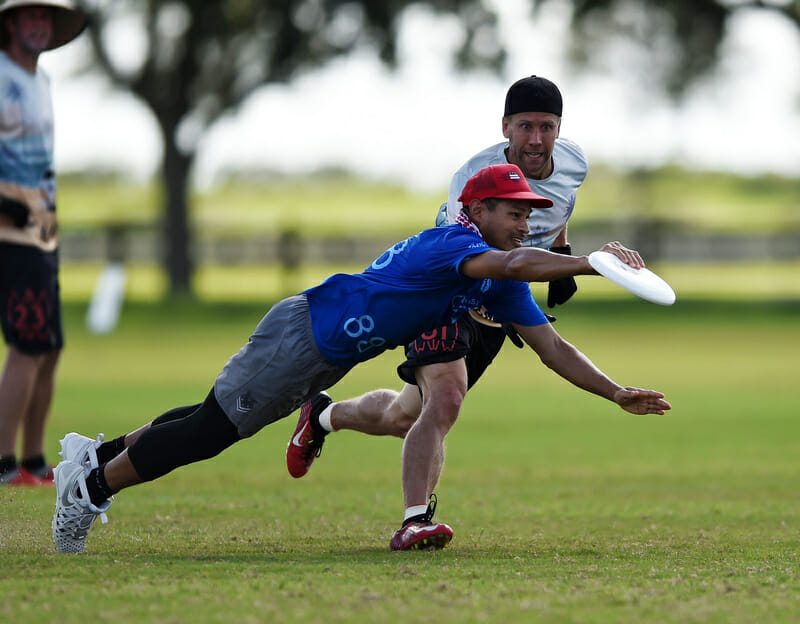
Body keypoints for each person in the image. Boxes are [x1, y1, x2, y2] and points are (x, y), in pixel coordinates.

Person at [51, 163, 670, 555]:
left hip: (325, 356)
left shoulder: (500, 275)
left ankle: (97, 457)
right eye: (514, 212)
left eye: (531, 214)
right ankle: (90, 487)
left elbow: (553, 348)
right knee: (213, 431)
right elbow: (513, 263)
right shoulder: (451, 243)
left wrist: (615, 392)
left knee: (214, 414)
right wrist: (592, 261)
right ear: (476, 211)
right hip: (305, 335)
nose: (524, 223)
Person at [285, 76, 593, 547]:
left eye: (546, 127)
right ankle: (415, 522)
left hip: (501, 300)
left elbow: (558, 206)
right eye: (525, 126)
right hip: (450, 293)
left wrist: (561, 247)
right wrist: (573, 265)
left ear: (559, 128)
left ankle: (322, 416)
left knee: (403, 417)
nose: (536, 139)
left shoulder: (574, 162)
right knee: (446, 398)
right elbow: (465, 258)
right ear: (506, 126)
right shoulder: (471, 177)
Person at [0, 0, 86, 486]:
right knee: (27, 345)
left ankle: (32, 459)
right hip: (8, 229)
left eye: (45, 17)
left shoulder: (43, 81)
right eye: (29, 16)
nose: (38, 25)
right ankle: (3, 463)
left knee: (49, 347)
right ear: (11, 22)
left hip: (43, 225)